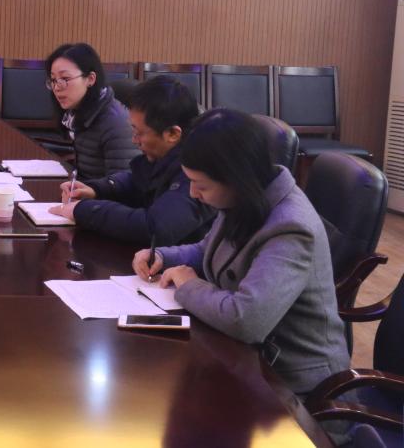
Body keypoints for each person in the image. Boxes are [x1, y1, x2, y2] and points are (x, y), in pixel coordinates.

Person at [132, 108, 349, 395]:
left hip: (293, 385)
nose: (193, 193)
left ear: (236, 178)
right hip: (244, 358)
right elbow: (208, 249)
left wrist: (189, 285)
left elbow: (246, 320)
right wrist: (162, 256)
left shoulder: (291, 227)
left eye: (201, 185)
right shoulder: (245, 197)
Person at [50, 76, 214, 245]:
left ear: (172, 134)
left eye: (139, 133)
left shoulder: (198, 171)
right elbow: (136, 180)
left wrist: (84, 210)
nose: (134, 140)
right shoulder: (165, 155)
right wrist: (96, 189)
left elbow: (154, 228)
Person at [44, 42, 138, 181]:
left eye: (65, 79)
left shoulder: (115, 124)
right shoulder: (78, 114)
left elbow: (123, 186)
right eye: (53, 80)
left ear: (90, 79)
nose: (57, 87)